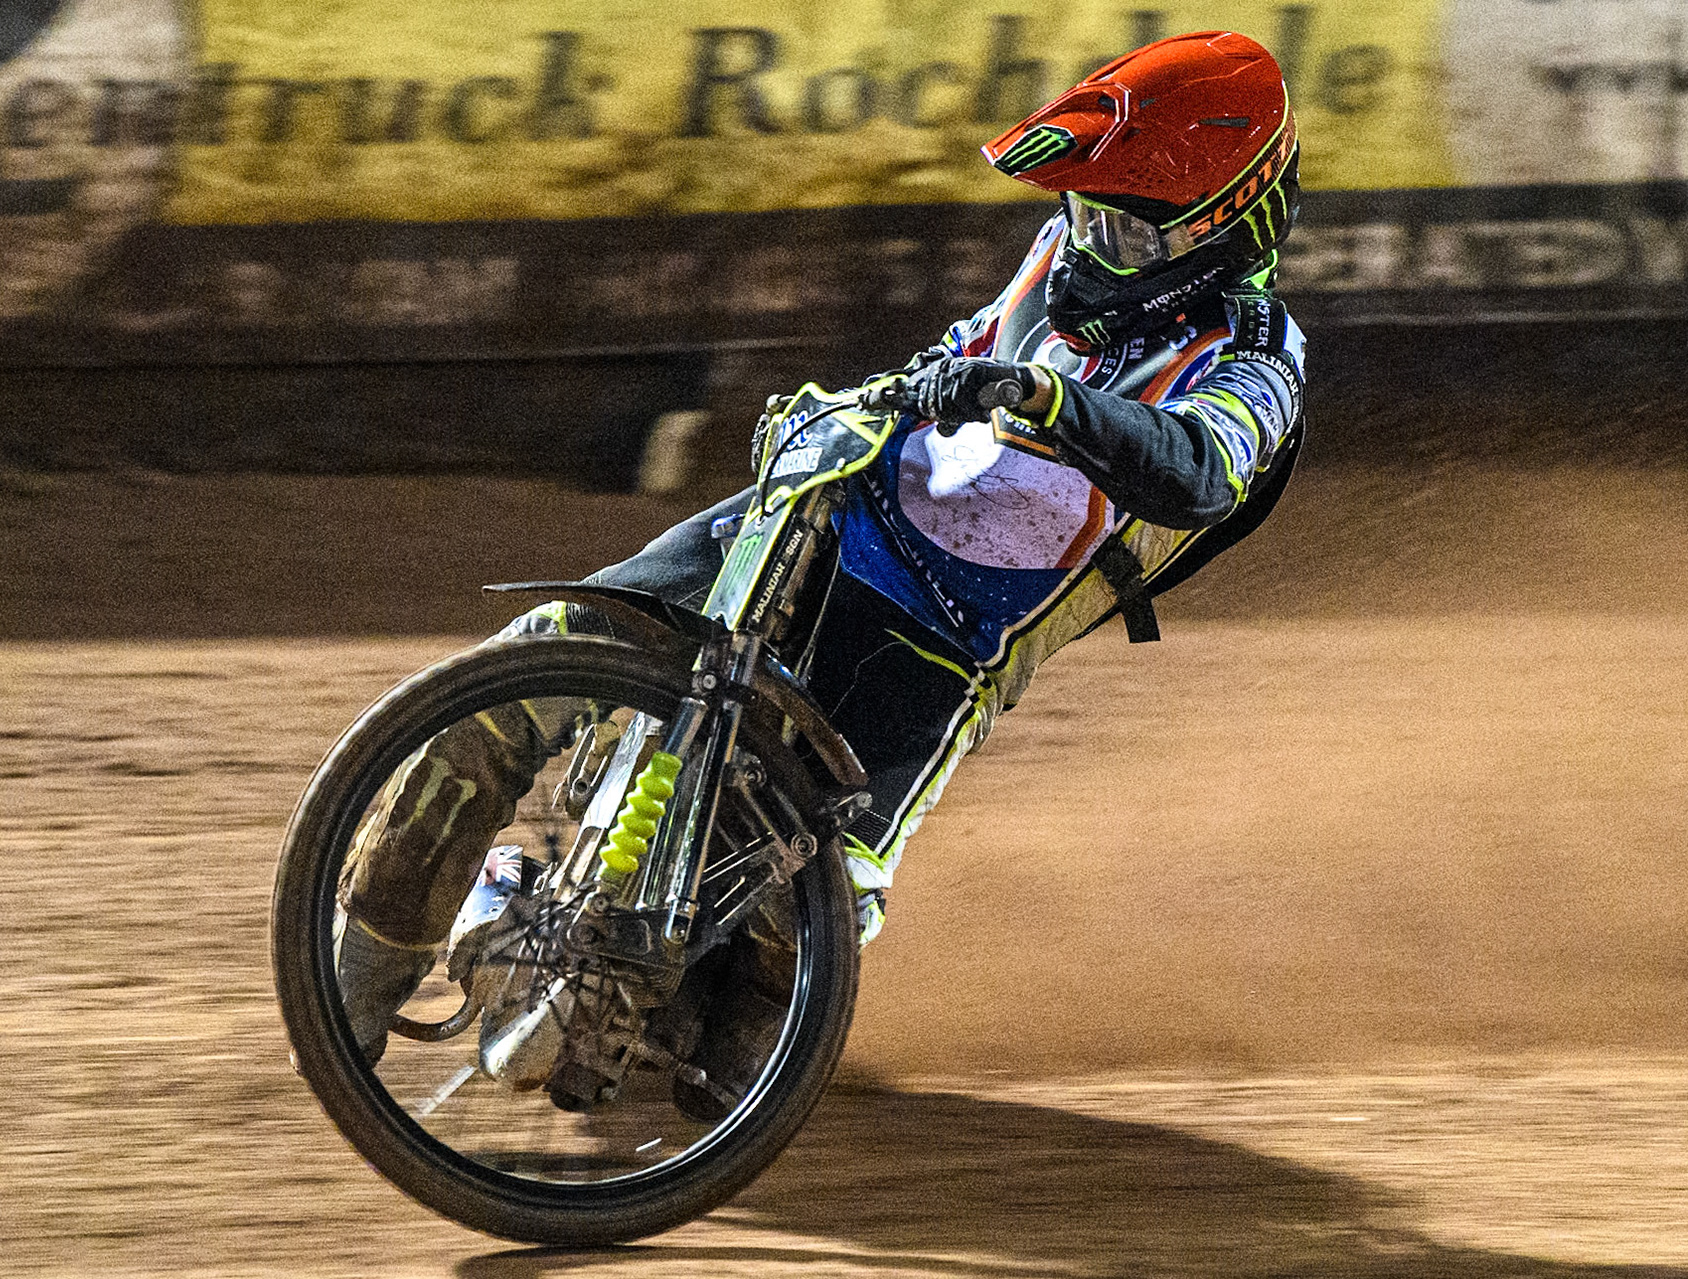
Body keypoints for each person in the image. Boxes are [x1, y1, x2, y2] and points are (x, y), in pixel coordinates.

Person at [335, 30, 1307, 1102]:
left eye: (1123, 225)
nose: (1090, 241)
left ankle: (698, 1053)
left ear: (1219, 232)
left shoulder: (1257, 358)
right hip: (823, 514)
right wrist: (866, 396)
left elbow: (1202, 470)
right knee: (531, 669)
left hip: (941, 640)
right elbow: (959, 352)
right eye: (1084, 212)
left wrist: (1047, 401)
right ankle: (353, 975)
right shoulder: (1059, 254)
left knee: (796, 928)